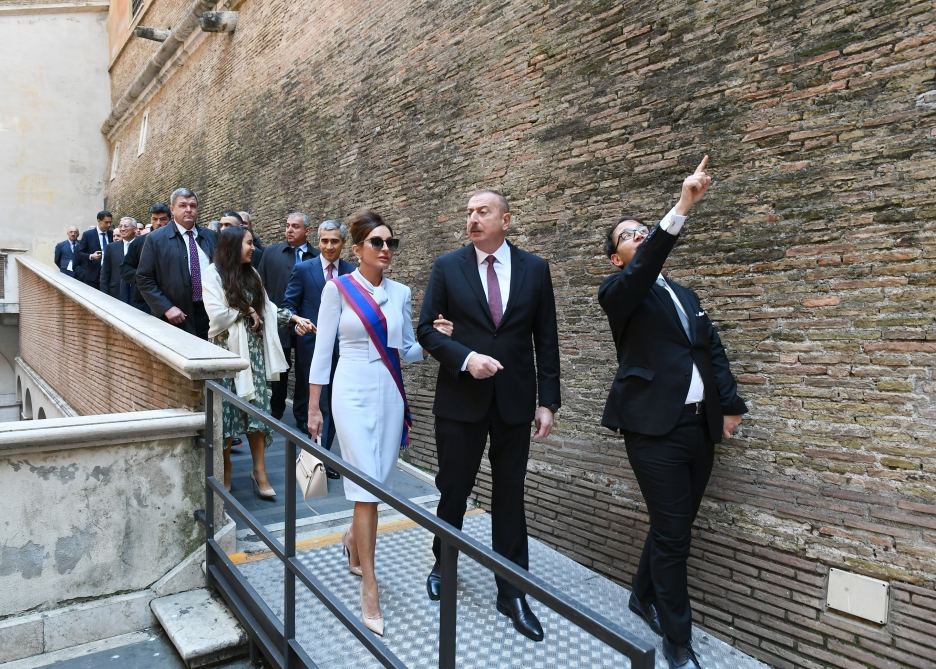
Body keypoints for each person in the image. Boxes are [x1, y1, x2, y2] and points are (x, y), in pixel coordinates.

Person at [598, 156, 747, 669]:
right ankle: (677, 640)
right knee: (674, 533)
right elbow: (649, 262)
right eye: (629, 235)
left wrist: (729, 405)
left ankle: (641, 595)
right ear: (617, 258)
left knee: (672, 526)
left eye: (643, 230)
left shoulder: (684, 296)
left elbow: (712, 349)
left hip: (698, 427)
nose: (638, 236)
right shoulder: (619, 293)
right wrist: (682, 204)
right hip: (651, 432)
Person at [416, 190, 561, 643]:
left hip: (516, 401)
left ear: (506, 219)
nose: (473, 220)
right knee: (454, 488)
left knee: (510, 496)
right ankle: (445, 560)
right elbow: (425, 331)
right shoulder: (447, 267)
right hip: (461, 399)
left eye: (483, 212)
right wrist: (465, 358)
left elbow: (547, 340)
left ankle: (512, 591)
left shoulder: (535, 270)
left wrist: (548, 401)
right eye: (469, 213)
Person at [307, 210, 446, 637]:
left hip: (389, 390)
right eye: (377, 242)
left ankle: (352, 538)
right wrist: (315, 407)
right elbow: (322, 350)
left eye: (391, 243)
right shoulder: (339, 290)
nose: (386, 249)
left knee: (378, 486)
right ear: (358, 249)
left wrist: (435, 337)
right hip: (350, 391)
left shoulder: (402, 292)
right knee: (366, 486)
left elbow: (405, 350)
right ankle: (370, 584)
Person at [203, 226, 312, 497]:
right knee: (227, 417)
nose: (254, 248)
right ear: (233, 245)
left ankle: (259, 471)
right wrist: (246, 310)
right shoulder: (212, 274)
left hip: (255, 356)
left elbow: (268, 309)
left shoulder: (251, 273)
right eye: (249, 243)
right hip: (226, 355)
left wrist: (294, 318)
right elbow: (216, 315)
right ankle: (226, 468)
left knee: (257, 414)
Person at [282, 219, 354, 478]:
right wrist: (297, 322)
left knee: (336, 403)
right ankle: (321, 458)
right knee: (320, 403)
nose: (329, 246)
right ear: (318, 240)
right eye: (324, 241)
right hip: (312, 348)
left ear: (343, 243)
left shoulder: (353, 271)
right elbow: (288, 305)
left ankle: (323, 455)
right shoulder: (304, 269)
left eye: (335, 241)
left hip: (346, 350)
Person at [257, 213, 318, 429]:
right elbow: (260, 285)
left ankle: (301, 416)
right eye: (287, 226)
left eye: (295, 226)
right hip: (279, 319)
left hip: (306, 322)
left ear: (307, 231)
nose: (289, 230)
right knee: (279, 369)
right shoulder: (272, 253)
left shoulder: (316, 257)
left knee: (304, 369)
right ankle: (276, 410)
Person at [137, 189, 218, 339]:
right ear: (172, 209)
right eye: (183, 205)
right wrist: (166, 307)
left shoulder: (210, 237)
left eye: (192, 206)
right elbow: (144, 278)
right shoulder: (156, 239)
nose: (188, 210)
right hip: (176, 316)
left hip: (211, 313)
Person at [122, 203, 170, 313]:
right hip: (144, 301)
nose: (158, 223)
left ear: (169, 219)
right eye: (155, 219)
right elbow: (125, 269)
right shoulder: (138, 242)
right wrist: (144, 277)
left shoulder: (179, 241)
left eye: (162, 219)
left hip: (173, 300)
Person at [100, 216, 137, 302]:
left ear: (135, 229)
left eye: (126, 226)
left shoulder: (142, 245)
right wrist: (104, 295)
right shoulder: (111, 247)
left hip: (137, 294)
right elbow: (105, 273)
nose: (122, 229)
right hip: (115, 293)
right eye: (120, 226)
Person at [75, 211, 113, 289]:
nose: (109, 225)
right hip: (92, 276)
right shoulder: (88, 235)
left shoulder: (112, 234)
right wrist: (91, 256)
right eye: (106, 222)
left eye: (110, 222)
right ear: (99, 221)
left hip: (110, 275)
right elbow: (79, 253)